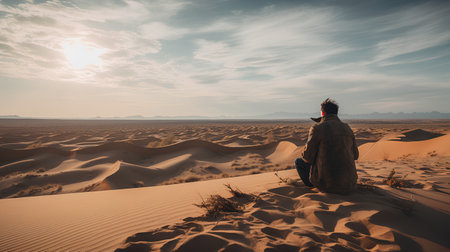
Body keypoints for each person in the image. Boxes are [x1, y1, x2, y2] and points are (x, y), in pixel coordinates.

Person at [295, 98, 359, 194]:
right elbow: (356, 155)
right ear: (336, 113)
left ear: (323, 113)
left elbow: (307, 157)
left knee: (299, 162)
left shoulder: (317, 128)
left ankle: (312, 187)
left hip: (327, 185)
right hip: (349, 184)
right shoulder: (347, 128)